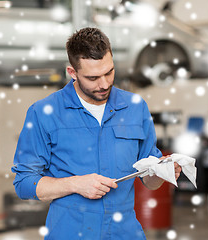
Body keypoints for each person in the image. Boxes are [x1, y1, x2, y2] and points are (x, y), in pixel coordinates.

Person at [12, 27, 182, 240]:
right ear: (72, 73)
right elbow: (25, 183)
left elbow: (149, 181)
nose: (104, 84)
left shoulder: (135, 107)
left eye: (109, 72)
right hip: (71, 233)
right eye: (93, 78)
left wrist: (161, 172)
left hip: (125, 233)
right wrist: (75, 184)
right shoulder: (44, 113)